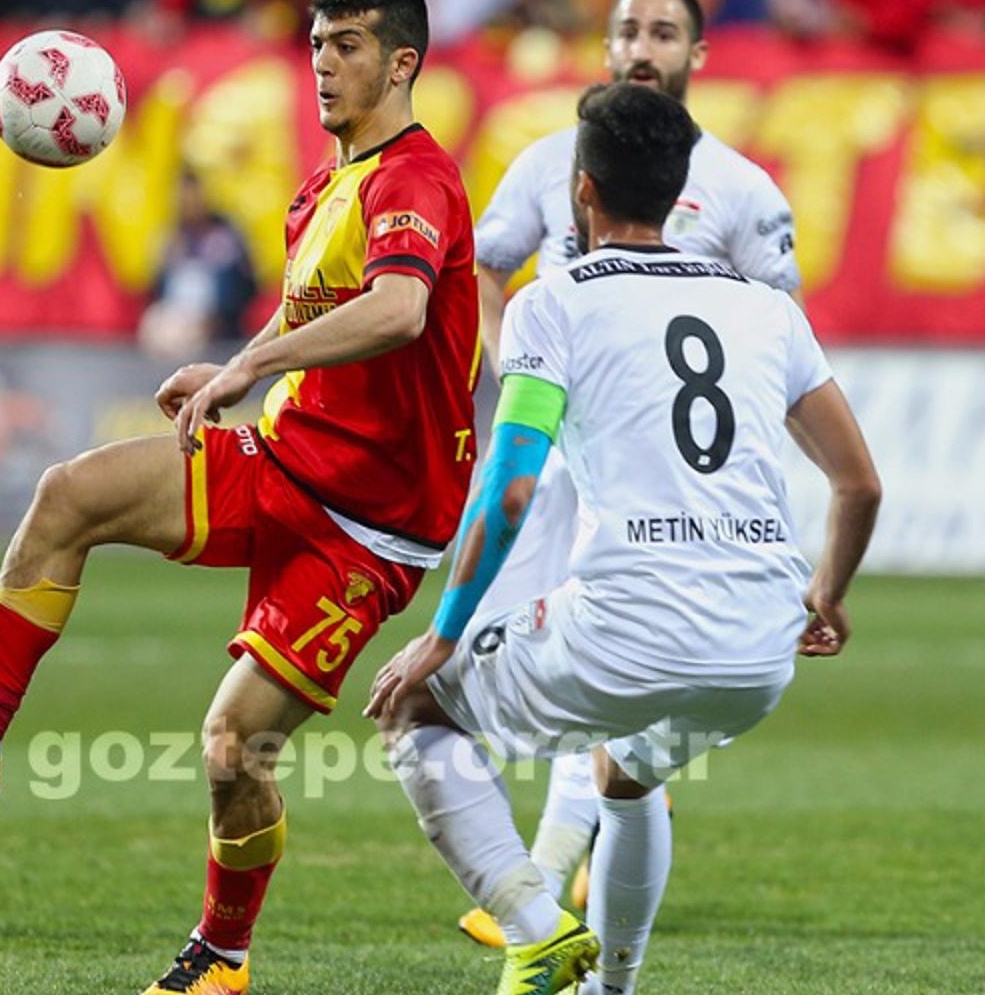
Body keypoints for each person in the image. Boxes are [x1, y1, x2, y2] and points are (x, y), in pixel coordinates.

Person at [0, 0, 478, 991]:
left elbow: (398, 309)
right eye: (316, 44)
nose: (323, 64)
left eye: (347, 46)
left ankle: (223, 956)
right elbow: (308, 309)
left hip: (369, 526)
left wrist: (250, 368)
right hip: (287, 457)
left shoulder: (417, 178)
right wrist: (237, 364)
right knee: (68, 495)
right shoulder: (326, 185)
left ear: (401, 64)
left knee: (232, 748)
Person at [365, 82, 880, 995]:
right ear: (680, 195)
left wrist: (443, 635)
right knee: (627, 774)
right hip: (760, 650)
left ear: (583, 190)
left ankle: (534, 932)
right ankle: (612, 989)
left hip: (630, 629)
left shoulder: (552, 302)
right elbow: (859, 482)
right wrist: (827, 595)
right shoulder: (768, 310)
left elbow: (512, 485)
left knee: (414, 711)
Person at [457, 0, 807, 949]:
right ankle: (578, 866)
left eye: (662, 32)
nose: (641, 48)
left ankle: (541, 880)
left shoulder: (739, 187)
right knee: (540, 657)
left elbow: (779, 334)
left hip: (661, 477)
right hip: (558, 458)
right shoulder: (544, 161)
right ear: (605, 43)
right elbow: (483, 267)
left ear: (698, 49)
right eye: (626, 30)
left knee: (586, 672)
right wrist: (516, 368)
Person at [137, 166, 258, 360]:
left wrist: (219, 318)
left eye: (194, 197)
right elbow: (156, 287)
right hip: (174, 316)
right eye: (184, 199)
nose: (190, 204)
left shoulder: (225, 235)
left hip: (213, 322)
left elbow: (245, 287)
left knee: (185, 336)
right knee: (155, 323)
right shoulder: (172, 237)